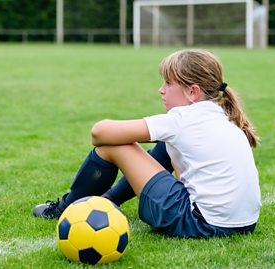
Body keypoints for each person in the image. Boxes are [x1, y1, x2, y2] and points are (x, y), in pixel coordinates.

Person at [33, 49, 261, 238]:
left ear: (193, 92)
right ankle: (108, 201)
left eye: (168, 83)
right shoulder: (224, 117)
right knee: (165, 146)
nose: (161, 90)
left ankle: (65, 208)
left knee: (113, 146)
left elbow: (99, 132)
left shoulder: (182, 120)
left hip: (200, 225)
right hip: (242, 225)